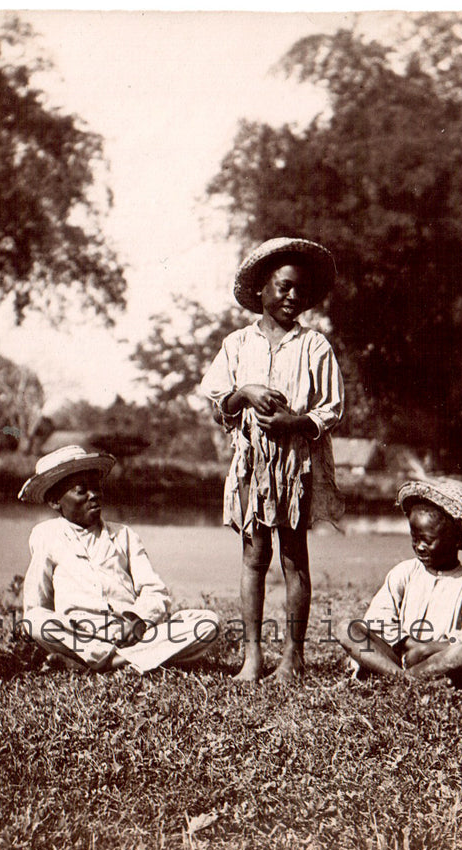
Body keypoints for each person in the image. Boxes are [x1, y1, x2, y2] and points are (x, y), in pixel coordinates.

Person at [198, 237, 344, 683]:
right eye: (283, 287)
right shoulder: (238, 344)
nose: (292, 297)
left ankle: (293, 656)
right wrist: (245, 392)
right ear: (262, 289)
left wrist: (294, 422)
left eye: (300, 291)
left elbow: (331, 408)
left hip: (296, 463)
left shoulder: (314, 346)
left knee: (294, 557)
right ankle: (253, 656)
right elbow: (219, 398)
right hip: (251, 465)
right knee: (254, 556)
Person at [17, 445, 219, 673]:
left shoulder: (124, 535)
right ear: (55, 501)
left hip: (130, 634)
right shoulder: (46, 535)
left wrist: (137, 620)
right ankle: (128, 661)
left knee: (207, 623)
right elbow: (37, 602)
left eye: (96, 488)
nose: (94, 495)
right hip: (82, 637)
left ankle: (109, 662)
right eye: (81, 490)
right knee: (36, 621)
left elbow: (155, 591)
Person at [337, 479, 462, 681]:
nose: (420, 546)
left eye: (428, 541)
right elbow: (378, 618)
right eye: (415, 538)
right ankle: (404, 679)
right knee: (347, 628)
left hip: (437, 659)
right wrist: (408, 643)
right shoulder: (405, 572)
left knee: (461, 653)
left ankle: (400, 678)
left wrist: (428, 648)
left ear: (456, 539)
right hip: (397, 655)